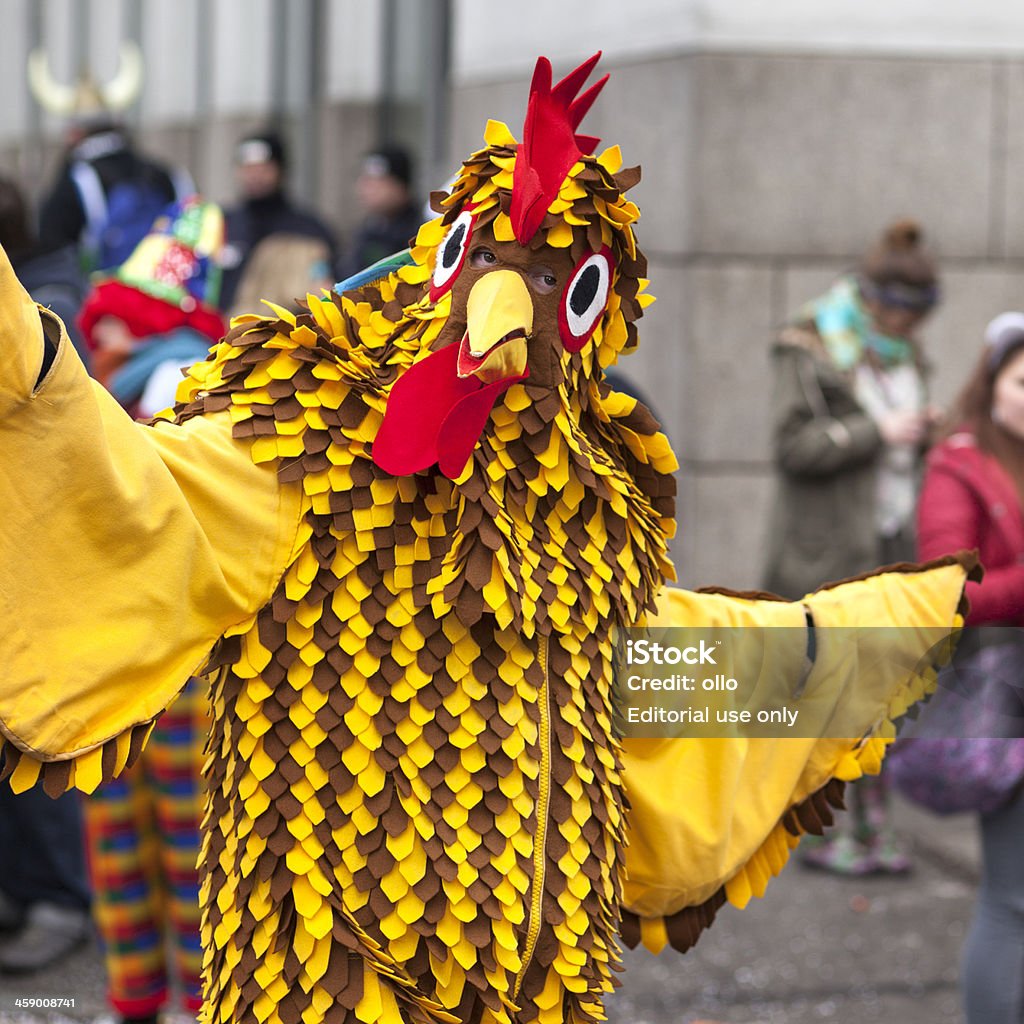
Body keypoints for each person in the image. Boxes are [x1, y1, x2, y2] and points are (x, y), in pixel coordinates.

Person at [0, 54, 974, 1024]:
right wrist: (23, 369)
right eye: (480, 255)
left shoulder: (582, 505)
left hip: (530, 970)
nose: (505, 312)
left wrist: (873, 633)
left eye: (566, 288)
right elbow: (134, 498)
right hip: (332, 982)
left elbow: (638, 669)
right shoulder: (306, 440)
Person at [76, 197, 224, 1023]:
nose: (104, 340)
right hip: (120, 650)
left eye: (114, 323)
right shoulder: (116, 385)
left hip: (176, 651)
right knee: (121, 835)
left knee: (182, 832)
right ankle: (139, 992)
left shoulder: (179, 379)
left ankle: (192, 997)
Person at [763, 218, 942, 875]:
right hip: (830, 551)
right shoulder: (809, 345)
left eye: (917, 318)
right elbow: (791, 448)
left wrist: (922, 432)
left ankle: (872, 828)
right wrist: (878, 431)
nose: (907, 330)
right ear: (873, 299)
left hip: (892, 541)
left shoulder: (908, 356)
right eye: (898, 315)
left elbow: (900, 442)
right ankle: (825, 830)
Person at [916, 311, 1024, 1024]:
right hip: (1006, 699)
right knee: (1013, 897)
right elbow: (943, 592)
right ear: (992, 385)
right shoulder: (960, 463)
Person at [0, 175, 92, 976]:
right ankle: (23, 890)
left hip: (40, 553)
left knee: (38, 734)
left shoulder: (46, 299)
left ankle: (61, 898)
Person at [219, 130, 338, 312]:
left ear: (281, 171)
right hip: (218, 333)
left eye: (264, 169)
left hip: (287, 333)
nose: (255, 176)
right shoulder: (220, 224)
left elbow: (325, 287)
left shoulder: (309, 230)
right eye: (248, 168)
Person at [338, 144, 422, 279]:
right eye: (364, 179)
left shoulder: (421, 233)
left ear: (401, 185)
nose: (365, 186)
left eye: (376, 181)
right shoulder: (366, 230)